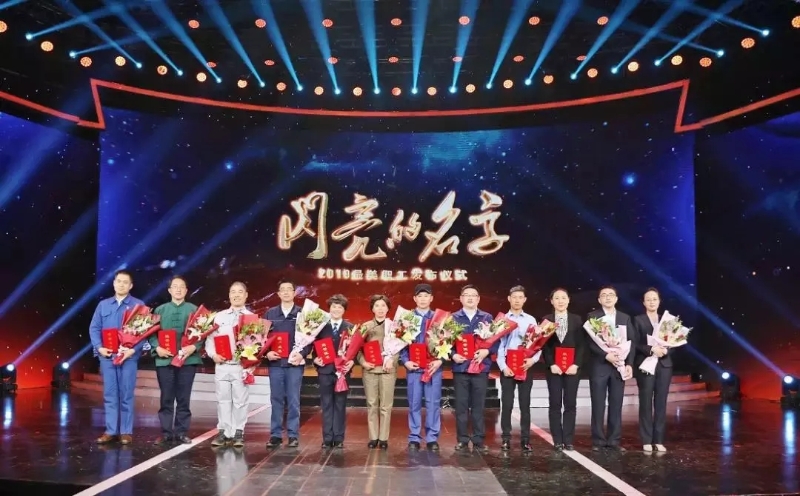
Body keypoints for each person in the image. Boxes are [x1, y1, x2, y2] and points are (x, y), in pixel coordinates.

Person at [89, 270, 144, 445]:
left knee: (126, 394)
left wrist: (133, 350)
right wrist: (99, 347)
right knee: (110, 394)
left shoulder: (138, 305)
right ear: (113, 283)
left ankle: (126, 432)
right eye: (118, 281)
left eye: (125, 282)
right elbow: (94, 328)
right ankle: (111, 431)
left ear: (131, 286)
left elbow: (144, 333)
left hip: (128, 358)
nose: (121, 284)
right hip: (108, 357)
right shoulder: (103, 305)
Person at [149, 275, 199, 445]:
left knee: (184, 398)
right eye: (175, 286)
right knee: (166, 398)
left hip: (188, 360)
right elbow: (150, 333)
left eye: (181, 286)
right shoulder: (159, 310)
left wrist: (195, 347)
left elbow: (203, 333)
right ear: (169, 290)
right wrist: (157, 347)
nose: (178, 289)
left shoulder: (194, 310)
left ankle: (181, 432)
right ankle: (166, 433)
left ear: (186, 290)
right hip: (165, 361)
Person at [205, 281, 254, 447]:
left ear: (246, 295)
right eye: (233, 292)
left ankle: (238, 432)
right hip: (222, 365)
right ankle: (224, 432)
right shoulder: (219, 317)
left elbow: (257, 343)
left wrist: (250, 362)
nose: (236, 295)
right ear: (229, 295)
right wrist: (213, 355)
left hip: (240, 366)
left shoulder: (251, 318)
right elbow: (210, 339)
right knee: (223, 400)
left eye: (240, 292)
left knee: (240, 401)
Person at [586, 285, 633, 452]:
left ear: (616, 299)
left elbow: (631, 342)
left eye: (611, 295)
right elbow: (590, 343)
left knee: (616, 404)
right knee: (598, 404)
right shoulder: (593, 317)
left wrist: (629, 364)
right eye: (604, 295)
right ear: (599, 300)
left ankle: (614, 440)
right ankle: (598, 441)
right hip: (600, 365)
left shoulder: (625, 318)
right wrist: (606, 355)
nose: (607, 297)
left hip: (619, 366)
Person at [451, 284, 494, 453]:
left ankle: (478, 439)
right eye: (466, 295)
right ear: (461, 298)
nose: (470, 298)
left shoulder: (486, 317)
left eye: (473, 295)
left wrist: (486, 351)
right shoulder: (453, 318)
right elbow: (445, 342)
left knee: (478, 405)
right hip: (461, 367)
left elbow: (495, 340)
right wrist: (453, 355)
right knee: (461, 406)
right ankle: (462, 439)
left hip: (480, 367)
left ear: (478, 299)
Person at [541, 288, 585, 452]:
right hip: (554, 369)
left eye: (563, 298)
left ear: (568, 300)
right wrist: (551, 363)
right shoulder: (546, 320)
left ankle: (568, 440)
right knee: (555, 403)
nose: (560, 301)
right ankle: (557, 440)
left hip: (572, 368)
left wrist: (576, 364)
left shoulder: (577, 319)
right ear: (552, 301)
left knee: (570, 403)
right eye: (557, 298)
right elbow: (544, 345)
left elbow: (582, 345)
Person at [264, 280, 307, 449]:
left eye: (290, 289)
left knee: (293, 400)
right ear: (278, 294)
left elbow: (310, 339)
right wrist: (267, 353)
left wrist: (302, 354)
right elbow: (262, 338)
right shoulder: (270, 313)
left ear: (295, 293)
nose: (286, 292)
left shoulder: (303, 313)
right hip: (275, 364)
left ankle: (293, 435)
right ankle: (275, 435)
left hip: (294, 364)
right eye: (283, 290)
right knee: (276, 399)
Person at [496, 285, 538, 452]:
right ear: (509, 299)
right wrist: (503, 366)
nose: (517, 300)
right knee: (506, 404)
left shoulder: (531, 319)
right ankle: (506, 438)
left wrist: (532, 360)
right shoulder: (503, 320)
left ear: (525, 300)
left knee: (525, 404)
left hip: (525, 365)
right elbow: (499, 345)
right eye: (514, 297)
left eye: (520, 297)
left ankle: (525, 440)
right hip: (508, 366)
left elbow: (538, 343)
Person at [399, 283, 441, 451]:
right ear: (415, 298)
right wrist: (405, 361)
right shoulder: (407, 318)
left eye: (426, 296)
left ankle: (432, 438)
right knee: (414, 403)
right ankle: (414, 437)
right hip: (414, 368)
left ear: (431, 298)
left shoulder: (440, 318)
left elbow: (447, 343)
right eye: (420, 296)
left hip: (433, 368)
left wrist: (440, 360)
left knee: (433, 404)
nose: (423, 299)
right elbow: (400, 343)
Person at [312, 294, 355, 449]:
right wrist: (315, 359)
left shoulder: (350, 327)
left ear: (344, 310)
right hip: (325, 371)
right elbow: (313, 347)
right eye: (333, 307)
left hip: (342, 373)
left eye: (339, 307)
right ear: (329, 309)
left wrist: (352, 362)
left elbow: (354, 350)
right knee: (326, 405)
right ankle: (327, 438)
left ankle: (338, 438)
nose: (336, 310)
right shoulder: (320, 326)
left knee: (340, 405)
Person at [632, 287, 672, 453]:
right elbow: (634, 343)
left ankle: (659, 440)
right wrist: (651, 349)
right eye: (648, 299)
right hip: (646, 364)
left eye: (654, 299)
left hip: (664, 365)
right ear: (644, 302)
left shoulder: (667, 320)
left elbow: (674, 342)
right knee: (646, 402)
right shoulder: (638, 320)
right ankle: (646, 439)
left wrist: (666, 350)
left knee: (661, 403)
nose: (651, 302)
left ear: (659, 301)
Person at [358, 294, 397, 449]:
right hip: (370, 370)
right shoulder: (365, 326)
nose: (380, 309)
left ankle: (384, 438)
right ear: (372, 309)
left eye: (383, 305)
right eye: (377, 306)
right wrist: (363, 362)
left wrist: (392, 360)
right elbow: (357, 348)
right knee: (372, 404)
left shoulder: (395, 327)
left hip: (388, 370)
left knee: (386, 406)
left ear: (388, 308)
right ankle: (373, 437)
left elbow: (399, 347)